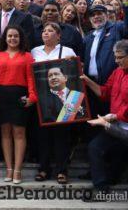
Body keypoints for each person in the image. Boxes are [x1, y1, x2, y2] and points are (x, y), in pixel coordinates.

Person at [0, 26, 37, 184]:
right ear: (5, 38)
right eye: (10, 36)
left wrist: (33, 96)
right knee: (5, 133)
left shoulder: (27, 56)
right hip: (1, 96)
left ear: (20, 38)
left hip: (19, 96)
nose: (13, 39)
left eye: (16, 36)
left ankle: (17, 170)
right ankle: (8, 168)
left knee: (19, 133)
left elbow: (31, 79)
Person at [31, 22, 80, 185]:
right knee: (43, 136)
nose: (46, 33)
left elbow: (76, 72)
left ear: (59, 36)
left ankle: (62, 170)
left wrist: (72, 62)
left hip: (63, 100)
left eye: (50, 31)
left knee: (62, 137)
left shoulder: (67, 51)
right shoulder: (34, 51)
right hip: (42, 101)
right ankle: (43, 169)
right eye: (44, 31)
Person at [81, 39, 128, 193]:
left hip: (120, 123)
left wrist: (112, 117)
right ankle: (101, 188)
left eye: (120, 57)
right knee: (95, 147)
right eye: (115, 57)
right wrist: (87, 80)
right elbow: (104, 93)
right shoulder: (117, 72)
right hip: (115, 125)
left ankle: (113, 178)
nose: (116, 61)